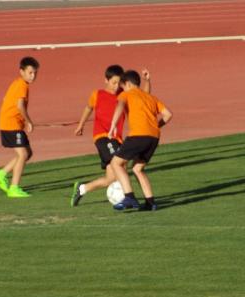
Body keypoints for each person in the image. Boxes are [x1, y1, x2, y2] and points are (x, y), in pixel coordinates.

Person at [71, 66, 151, 206]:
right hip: (103, 137)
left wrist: (147, 82)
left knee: (111, 178)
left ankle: (82, 188)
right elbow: (88, 108)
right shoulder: (97, 94)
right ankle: (128, 197)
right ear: (106, 80)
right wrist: (81, 124)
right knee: (121, 165)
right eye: (113, 82)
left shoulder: (123, 95)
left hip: (116, 139)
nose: (115, 86)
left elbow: (143, 96)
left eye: (118, 83)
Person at [107, 70, 172, 210]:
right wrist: (155, 126)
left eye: (122, 86)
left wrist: (113, 125)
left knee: (116, 163)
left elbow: (120, 106)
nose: (122, 89)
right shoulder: (151, 98)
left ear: (128, 84)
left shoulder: (126, 94)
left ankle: (129, 198)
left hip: (138, 135)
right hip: (153, 137)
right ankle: (150, 203)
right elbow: (168, 115)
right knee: (137, 169)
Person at [0, 56, 39, 198]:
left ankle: (1, 174)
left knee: (27, 153)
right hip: (10, 124)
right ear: (21, 72)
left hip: (14, 124)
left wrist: (24, 122)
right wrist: (29, 121)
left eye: (35, 73)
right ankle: (14, 187)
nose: (33, 76)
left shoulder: (20, 84)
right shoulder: (22, 85)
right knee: (22, 154)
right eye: (30, 72)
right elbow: (20, 106)